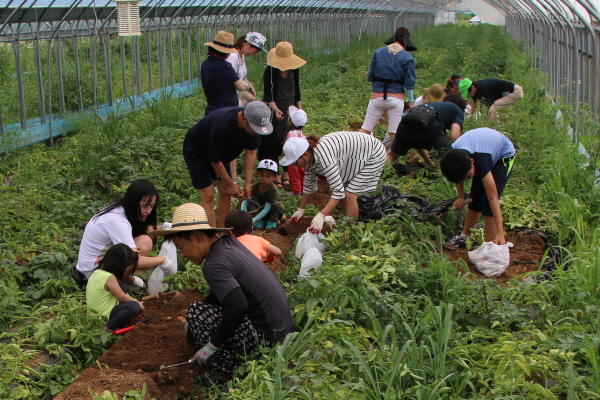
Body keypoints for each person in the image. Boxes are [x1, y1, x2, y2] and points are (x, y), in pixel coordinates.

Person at [150, 203, 293, 389]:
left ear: (197, 237)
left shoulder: (214, 264)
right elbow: (224, 293)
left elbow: (238, 306)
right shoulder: (229, 244)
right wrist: (196, 317)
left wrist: (212, 346)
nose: (183, 254)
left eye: (181, 247)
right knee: (200, 310)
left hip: (267, 341)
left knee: (196, 312)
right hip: (282, 332)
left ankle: (226, 372)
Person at [183, 101, 273, 228]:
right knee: (207, 194)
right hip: (197, 151)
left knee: (226, 192)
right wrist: (230, 183)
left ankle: (224, 232)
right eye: (255, 128)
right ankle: (211, 235)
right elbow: (214, 160)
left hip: (221, 154)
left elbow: (251, 152)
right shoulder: (222, 126)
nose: (256, 132)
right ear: (244, 119)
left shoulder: (254, 125)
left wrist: (248, 183)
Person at [280, 131, 387, 234]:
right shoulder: (311, 157)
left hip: (373, 153)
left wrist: (321, 215)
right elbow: (308, 185)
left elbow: (338, 192)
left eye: (295, 161)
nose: (295, 165)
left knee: (349, 195)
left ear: (305, 154)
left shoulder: (324, 157)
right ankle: (347, 225)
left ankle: (350, 232)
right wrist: (301, 209)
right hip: (353, 155)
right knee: (344, 194)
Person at [71, 179, 171, 287]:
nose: (148, 211)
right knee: (145, 242)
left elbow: (142, 229)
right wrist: (164, 260)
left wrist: (164, 229)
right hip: (91, 273)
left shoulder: (121, 208)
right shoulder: (117, 221)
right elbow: (134, 260)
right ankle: (118, 280)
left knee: (144, 240)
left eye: (152, 206)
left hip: (96, 263)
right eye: (145, 206)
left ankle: (125, 278)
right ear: (133, 202)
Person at [440, 127, 515, 248]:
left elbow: (493, 197)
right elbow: (458, 175)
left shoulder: (481, 161)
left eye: (467, 176)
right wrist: (460, 197)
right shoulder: (452, 157)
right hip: (480, 148)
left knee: (487, 203)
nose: (466, 179)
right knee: (475, 197)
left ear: (472, 161)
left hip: (503, 156)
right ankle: (465, 236)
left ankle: (489, 245)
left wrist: (500, 233)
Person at [359, 28, 417, 151]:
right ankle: (392, 158)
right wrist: (411, 102)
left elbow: (371, 75)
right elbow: (409, 82)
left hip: (377, 96)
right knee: (393, 132)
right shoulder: (407, 57)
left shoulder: (378, 52)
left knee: (365, 129)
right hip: (396, 98)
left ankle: (354, 151)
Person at [261, 41, 306, 186]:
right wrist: (275, 109)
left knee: (289, 140)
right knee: (275, 140)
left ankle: (287, 172)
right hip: (274, 109)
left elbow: (297, 91)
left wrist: (299, 111)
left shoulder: (294, 70)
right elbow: (268, 95)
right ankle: (276, 174)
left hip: (290, 109)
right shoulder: (270, 71)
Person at [227, 32, 268, 182]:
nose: (255, 53)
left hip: (240, 100)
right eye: (255, 50)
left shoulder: (241, 56)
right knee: (233, 136)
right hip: (233, 100)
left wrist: (250, 86)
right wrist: (245, 94)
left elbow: (241, 77)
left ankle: (234, 174)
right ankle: (231, 175)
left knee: (237, 135)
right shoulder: (233, 56)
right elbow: (230, 80)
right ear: (247, 44)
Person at [388, 91, 468, 166]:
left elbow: (417, 142)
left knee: (392, 156)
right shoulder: (457, 110)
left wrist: (428, 162)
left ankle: (382, 170)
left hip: (404, 126)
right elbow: (454, 137)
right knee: (450, 156)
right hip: (430, 129)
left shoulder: (430, 105)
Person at [86, 244, 145, 333]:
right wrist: (137, 302)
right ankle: (109, 328)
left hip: (96, 316)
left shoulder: (96, 273)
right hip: (104, 317)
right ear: (118, 265)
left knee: (122, 286)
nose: (125, 273)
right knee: (133, 306)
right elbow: (122, 297)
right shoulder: (109, 277)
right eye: (126, 269)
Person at [201, 31, 248, 116]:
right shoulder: (225, 66)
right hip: (226, 112)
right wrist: (246, 84)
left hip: (212, 110)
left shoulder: (205, 64)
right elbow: (241, 87)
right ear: (227, 53)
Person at [240, 159, 285, 229]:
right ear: (257, 174)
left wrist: (254, 220)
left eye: (268, 176)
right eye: (261, 175)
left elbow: (267, 209)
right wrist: (244, 216)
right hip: (259, 211)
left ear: (275, 177)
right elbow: (245, 201)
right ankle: (259, 221)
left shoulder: (273, 190)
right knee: (252, 198)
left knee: (276, 205)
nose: (264, 179)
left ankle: (272, 221)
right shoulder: (254, 186)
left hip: (271, 212)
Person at [459, 78, 523, 120]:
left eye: (468, 93)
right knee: (488, 107)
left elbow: (491, 108)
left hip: (515, 92)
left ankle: (492, 126)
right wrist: (470, 115)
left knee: (493, 107)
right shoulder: (476, 88)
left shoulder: (483, 90)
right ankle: (496, 122)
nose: (469, 96)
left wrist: (487, 127)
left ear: (473, 88)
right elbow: (474, 101)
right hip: (506, 92)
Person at [284, 106, 308, 197]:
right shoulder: (301, 133)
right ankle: (302, 190)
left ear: (290, 122)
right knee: (302, 175)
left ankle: (297, 192)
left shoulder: (290, 134)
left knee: (294, 175)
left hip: (293, 159)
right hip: (303, 158)